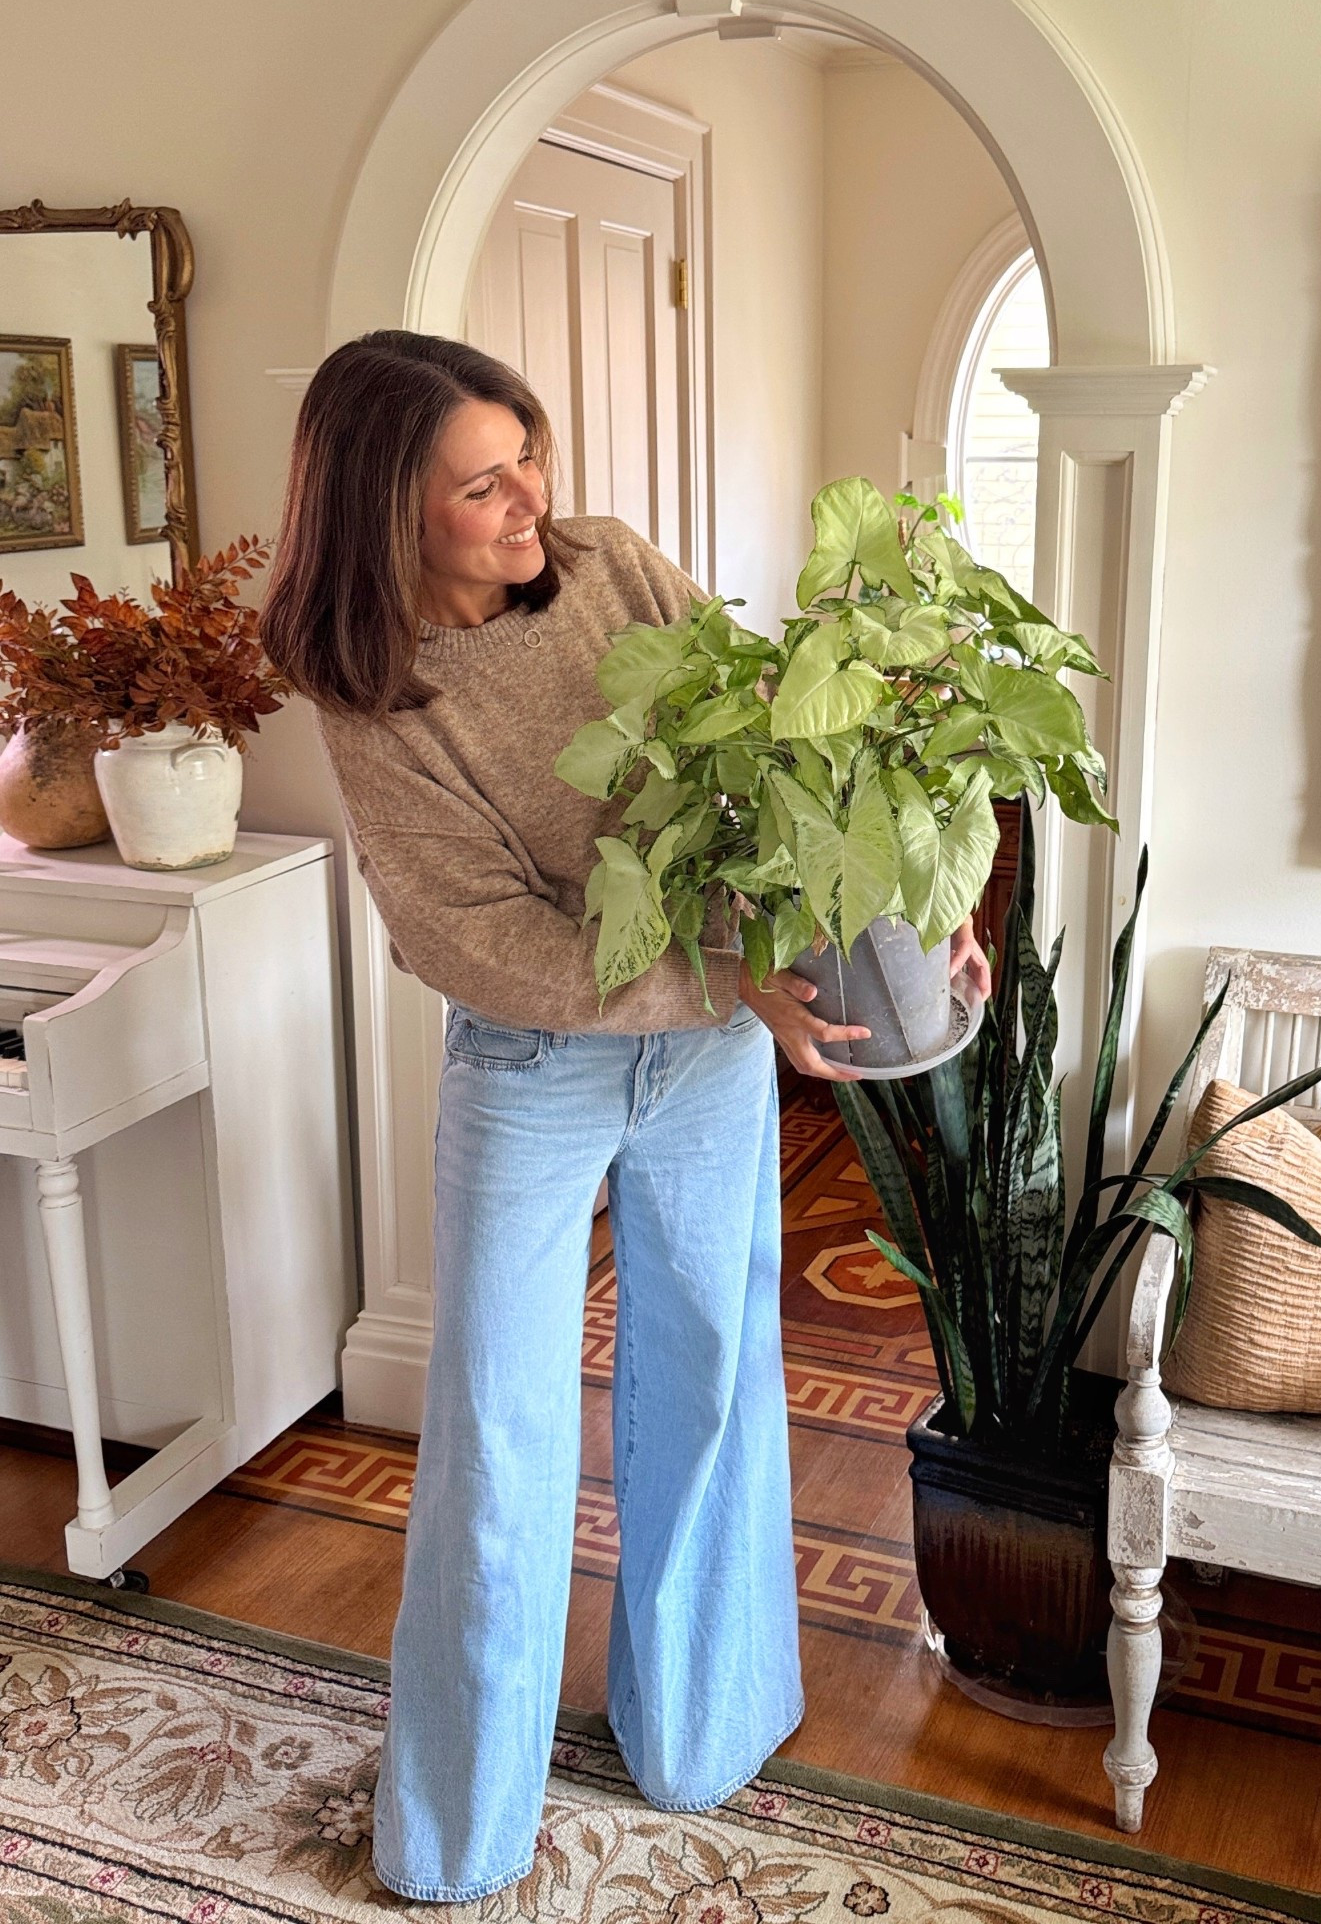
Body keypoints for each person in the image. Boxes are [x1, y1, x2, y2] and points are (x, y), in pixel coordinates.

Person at [259, 329, 990, 1903]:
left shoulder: (613, 571)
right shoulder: (375, 692)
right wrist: (731, 990)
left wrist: (901, 905)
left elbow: (772, 770)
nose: (533, 497)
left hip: (710, 1055)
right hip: (535, 1071)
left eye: (530, 454)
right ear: (391, 512)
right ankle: (458, 1833)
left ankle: (698, 1731)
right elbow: (478, 941)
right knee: (502, 1438)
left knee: (713, 1377)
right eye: (485, 483)